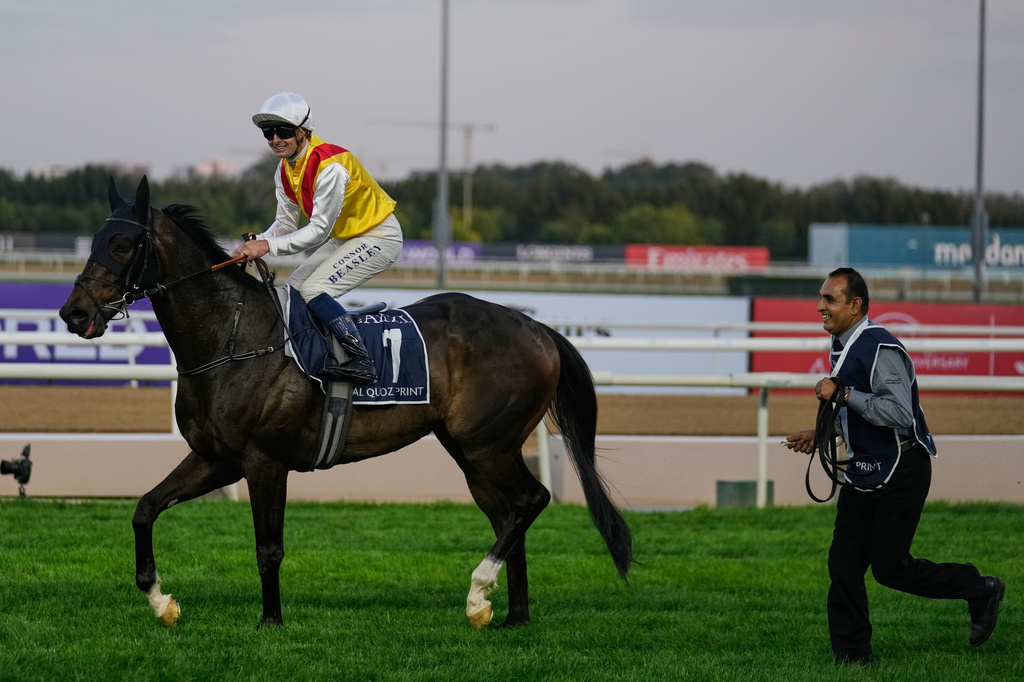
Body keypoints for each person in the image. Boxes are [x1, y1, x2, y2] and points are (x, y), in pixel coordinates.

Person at [784, 267, 1005, 667]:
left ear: (855, 305)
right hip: (865, 468)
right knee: (844, 565)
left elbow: (900, 413)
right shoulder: (842, 343)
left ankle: (980, 588)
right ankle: (853, 659)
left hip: (902, 468)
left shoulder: (880, 346)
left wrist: (844, 393)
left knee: (891, 569)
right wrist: (821, 432)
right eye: (821, 298)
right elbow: (856, 412)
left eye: (829, 300)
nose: (820, 307)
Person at [234, 92, 402, 384]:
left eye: (283, 131)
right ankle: (315, 355)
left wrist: (266, 246)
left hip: (379, 236)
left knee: (314, 289)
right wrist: (257, 242)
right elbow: (285, 224)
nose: (274, 139)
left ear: (304, 131)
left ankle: (361, 360)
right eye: (267, 132)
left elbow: (317, 232)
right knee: (295, 289)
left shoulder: (331, 166)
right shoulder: (284, 169)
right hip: (348, 237)